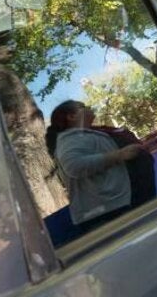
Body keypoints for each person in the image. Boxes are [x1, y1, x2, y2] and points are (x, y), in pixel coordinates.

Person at [47, 100, 146, 234]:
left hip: (111, 207)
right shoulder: (69, 140)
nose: (89, 108)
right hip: (103, 214)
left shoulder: (82, 136)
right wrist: (118, 155)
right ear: (71, 117)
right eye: (84, 107)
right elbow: (74, 166)